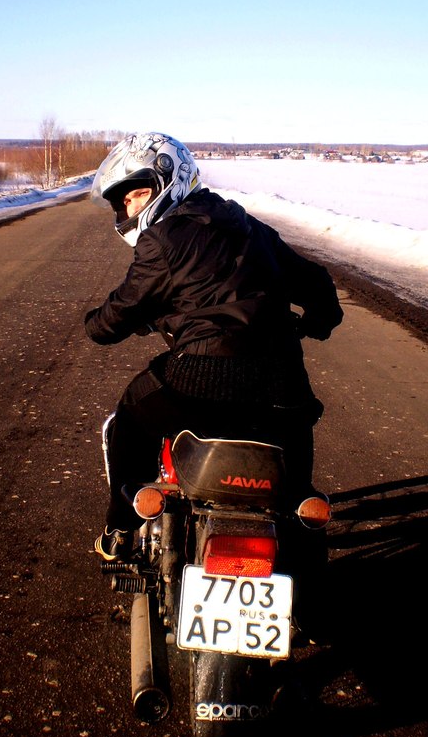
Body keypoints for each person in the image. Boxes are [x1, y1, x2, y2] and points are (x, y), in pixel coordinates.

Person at [85, 132, 343, 561]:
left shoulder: (162, 239)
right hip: (283, 388)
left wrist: (94, 323)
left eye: (137, 194)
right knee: (297, 472)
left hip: (199, 385)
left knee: (130, 413)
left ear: (171, 180)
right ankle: (303, 552)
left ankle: (120, 526)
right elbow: (316, 283)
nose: (129, 208)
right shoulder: (249, 227)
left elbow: (120, 312)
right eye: (123, 200)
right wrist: (318, 322)